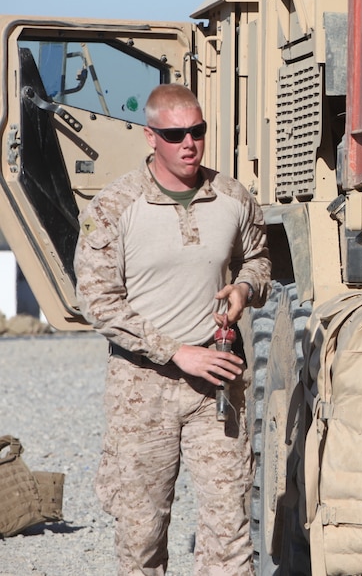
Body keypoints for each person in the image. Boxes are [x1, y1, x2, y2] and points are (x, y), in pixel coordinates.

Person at [74, 83, 271, 575]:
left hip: (218, 383)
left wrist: (245, 289)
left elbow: (260, 259)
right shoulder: (114, 208)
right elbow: (97, 301)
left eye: (197, 131)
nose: (189, 143)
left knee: (230, 534)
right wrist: (175, 351)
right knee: (141, 536)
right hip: (143, 387)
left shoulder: (232, 198)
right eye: (176, 133)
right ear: (150, 136)